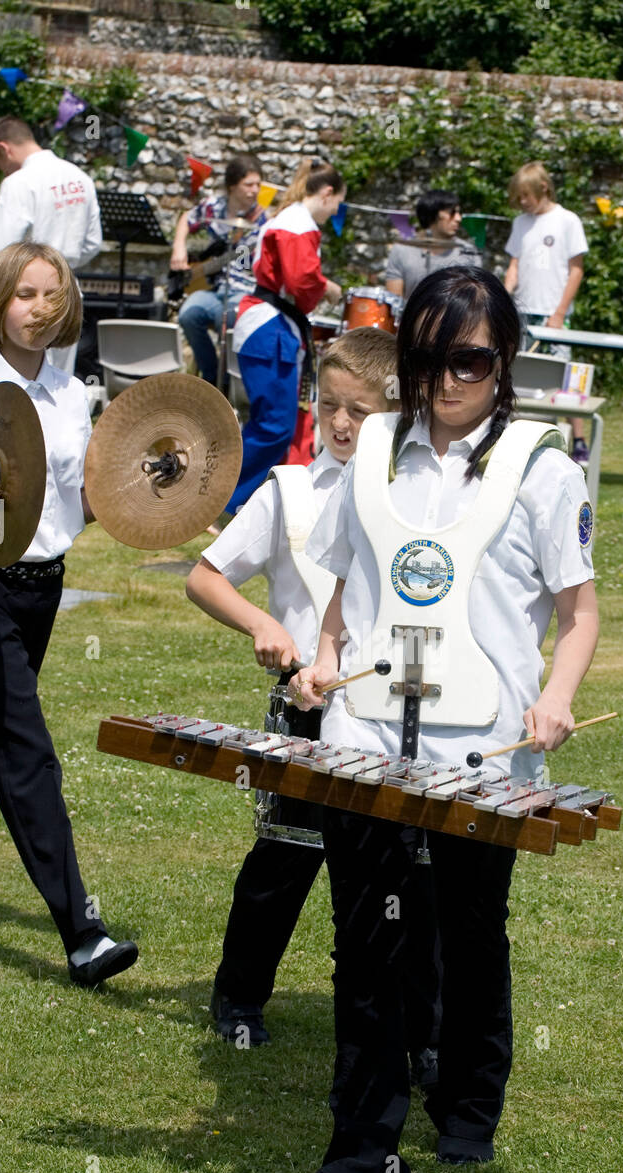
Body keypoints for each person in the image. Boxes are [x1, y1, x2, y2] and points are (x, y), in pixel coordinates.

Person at [273, 265, 598, 1173]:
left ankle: (466, 1105)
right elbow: (343, 582)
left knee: (466, 926)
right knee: (365, 939)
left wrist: (557, 701)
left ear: (504, 363)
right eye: (429, 358)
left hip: (481, 750)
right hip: (364, 734)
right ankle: (364, 1151)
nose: (447, 379)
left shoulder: (544, 465)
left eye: (469, 360)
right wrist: (324, 662)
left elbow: (576, 614)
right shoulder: (370, 445)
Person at [186, 328, 440, 1078]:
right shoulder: (289, 490)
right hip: (305, 703)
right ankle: (238, 997)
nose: (337, 424)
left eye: (357, 412)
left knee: (410, 876)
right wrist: (266, 625)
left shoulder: (417, 499)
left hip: (397, 713)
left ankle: (418, 1036)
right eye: (327, 405)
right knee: (285, 860)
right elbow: (205, 576)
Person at [0, 243, 138, 988]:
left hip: (44, 589)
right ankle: (82, 933)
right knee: (26, 753)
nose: (40, 308)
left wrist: (153, 477)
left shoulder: (74, 395)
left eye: (53, 294)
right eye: (24, 294)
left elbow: (80, 506)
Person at [225, 158, 344, 515]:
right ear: (326, 193)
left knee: (289, 421)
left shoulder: (292, 219)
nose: (338, 209)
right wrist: (328, 288)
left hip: (273, 325)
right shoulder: (296, 225)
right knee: (275, 424)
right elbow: (302, 282)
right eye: (339, 201)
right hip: (269, 327)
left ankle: (284, 503)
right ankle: (227, 499)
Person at [0, 117, 102, 376]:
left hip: (23, 298)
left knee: (16, 385)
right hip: (66, 292)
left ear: (4, 149)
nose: (3, 170)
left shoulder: (19, 182)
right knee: (58, 381)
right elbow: (93, 243)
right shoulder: (80, 178)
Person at [504, 160, 590, 463]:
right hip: (523, 314)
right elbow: (514, 266)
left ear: (543, 188)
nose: (523, 202)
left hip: (553, 315)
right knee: (518, 374)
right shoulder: (520, 223)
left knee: (564, 378)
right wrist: (504, 296)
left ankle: (579, 440)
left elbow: (576, 270)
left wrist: (560, 312)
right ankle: (512, 436)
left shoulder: (568, 220)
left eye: (527, 195)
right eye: (519, 198)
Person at [171, 155, 267, 385]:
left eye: (258, 185)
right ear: (233, 185)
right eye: (249, 185)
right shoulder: (213, 206)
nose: (255, 191)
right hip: (214, 287)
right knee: (188, 314)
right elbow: (187, 218)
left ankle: (226, 385)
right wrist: (178, 248)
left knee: (230, 320)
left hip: (243, 289)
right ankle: (210, 375)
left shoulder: (262, 219)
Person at [384, 190, 481, 301]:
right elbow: (394, 302)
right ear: (433, 214)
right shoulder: (401, 251)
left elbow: (477, 300)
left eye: (459, 213)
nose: (459, 218)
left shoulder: (469, 252)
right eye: (452, 212)